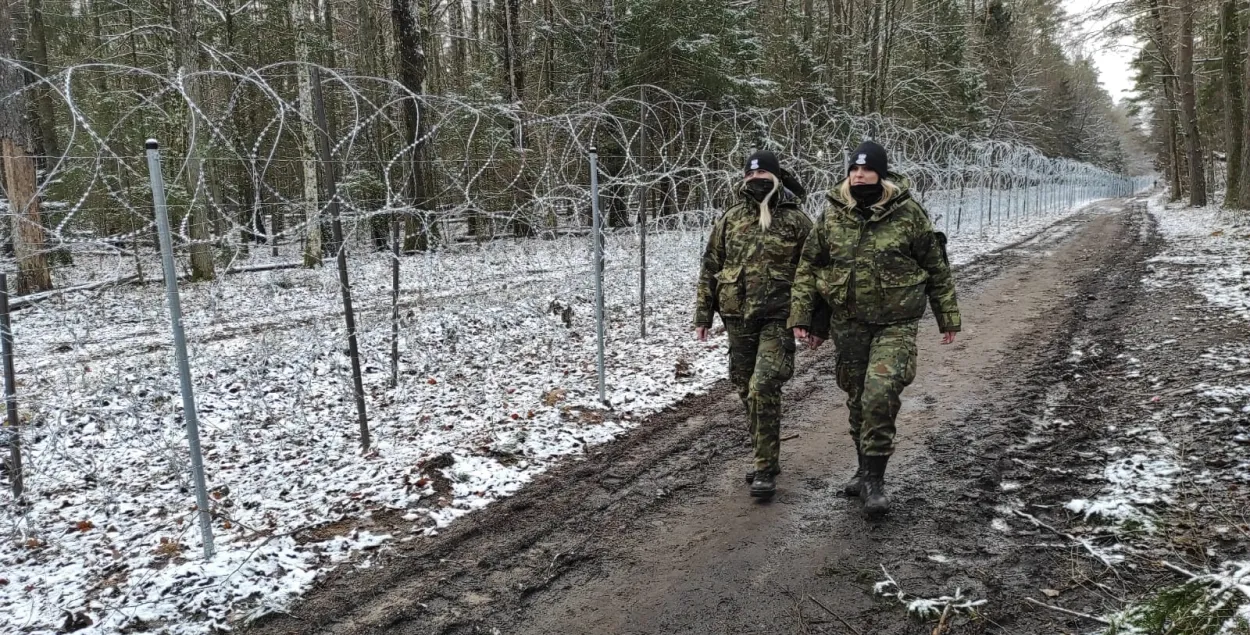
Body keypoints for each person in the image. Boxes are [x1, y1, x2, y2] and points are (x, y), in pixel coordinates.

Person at [788, 140, 960, 517]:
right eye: (854, 169)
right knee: (856, 397)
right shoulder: (833, 214)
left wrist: (947, 315)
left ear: (881, 173)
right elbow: (809, 267)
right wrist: (802, 316)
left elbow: (935, 267)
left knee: (880, 392)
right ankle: (864, 470)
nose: (859, 175)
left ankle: (875, 481)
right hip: (847, 322)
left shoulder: (908, 214)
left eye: (866, 169)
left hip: (895, 322)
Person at [694, 150, 826, 499]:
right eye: (751, 176)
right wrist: (703, 316)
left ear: (777, 177)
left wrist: (812, 319)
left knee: (763, 385)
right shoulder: (730, 219)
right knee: (744, 388)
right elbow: (710, 266)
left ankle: (764, 467)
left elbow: (816, 272)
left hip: (779, 318)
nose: (757, 181)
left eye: (764, 175)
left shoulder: (796, 221)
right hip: (738, 318)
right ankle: (766, 453)